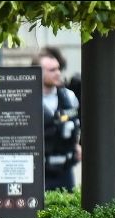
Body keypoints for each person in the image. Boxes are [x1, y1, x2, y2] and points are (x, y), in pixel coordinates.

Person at [32, 48, 81, 191]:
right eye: (52, 70)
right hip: (39, 171)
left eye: (58, 69)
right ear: (38, 72)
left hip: (65, 170)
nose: (58, 73)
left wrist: (78, 145)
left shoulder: (69, 97)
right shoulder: (28, 99)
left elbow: (76, 123)